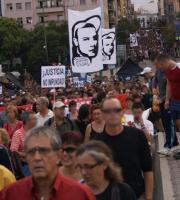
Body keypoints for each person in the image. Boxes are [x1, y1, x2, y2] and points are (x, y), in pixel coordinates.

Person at [0, 127, 95, 200]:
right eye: (31, 152)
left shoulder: (80, 194)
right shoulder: (10, 194)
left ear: (58, 155)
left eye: (44, 151)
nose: (37, 158)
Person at [94, 97, 153, 199]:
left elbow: (148, 169)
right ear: (103, 114)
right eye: (108, 111)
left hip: (136, 195)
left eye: (116, 110)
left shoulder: (137, 135)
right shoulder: (97, 143)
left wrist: (148, 197)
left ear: (122, 112)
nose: (112, 114)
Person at [152, 53, 180, 159]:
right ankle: (173, 145)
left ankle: (170, 145)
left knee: (173, 123)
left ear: (164, 62)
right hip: (173, 100)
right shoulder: (167, 71)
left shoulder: (178, 67)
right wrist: (167, 100)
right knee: (176, 123)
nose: (159, 68)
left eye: (160, 66)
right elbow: (169, 85)